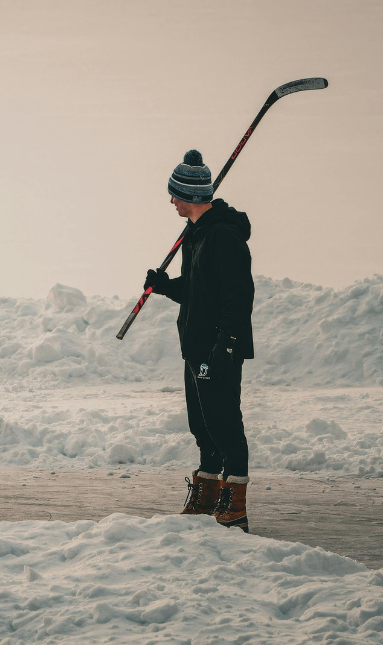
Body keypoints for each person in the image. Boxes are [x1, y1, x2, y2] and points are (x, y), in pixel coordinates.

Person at [144, 149, 255, 532]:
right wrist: (165, 287)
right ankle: (207, 494)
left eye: (175, 193)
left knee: (225, 424)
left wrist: (224, 347)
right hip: (195, 347)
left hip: (217, 349)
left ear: (191, 196)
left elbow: (237, 298)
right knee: (202, 426)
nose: (171, 200)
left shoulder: (223, 236)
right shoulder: (197, 235)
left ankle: (234, 504)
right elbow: (198, 291)